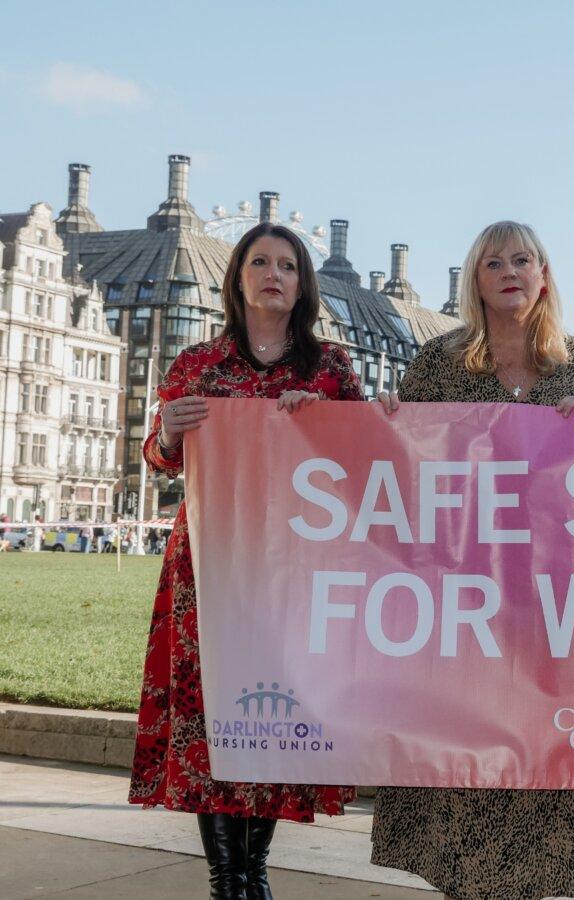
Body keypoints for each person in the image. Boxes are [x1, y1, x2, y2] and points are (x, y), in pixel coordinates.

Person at [371, 220, 574, 900]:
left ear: (544, 275)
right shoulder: (436, 365)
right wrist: (381, 419)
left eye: (523, 259)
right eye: (493, 262)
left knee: (546, 786)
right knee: (466, 794)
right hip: (463, 619)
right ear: (474, 280)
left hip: (553, 622)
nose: (509, 270)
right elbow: (397, 472)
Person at [127, 222, 363, 899]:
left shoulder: (330, 370)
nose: (272, 274)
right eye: (258, 262)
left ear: (302, 284)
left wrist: (325, 421)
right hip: (210, 567)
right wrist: (167, 433)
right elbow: (160, 460)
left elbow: (364, 464)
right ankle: (229, 878)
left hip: (296, 573)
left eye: (287, 265)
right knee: (210, 717)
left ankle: (252, 868)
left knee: (278, 714)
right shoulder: (197, 365)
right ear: (236, 279)